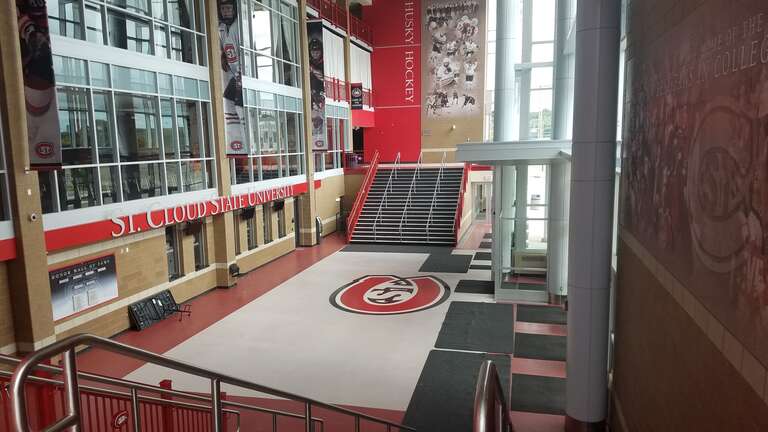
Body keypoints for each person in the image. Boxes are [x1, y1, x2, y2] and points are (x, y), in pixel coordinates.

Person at [218, 0, 246, 153]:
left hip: (242, 73)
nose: (226, 11)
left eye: (228, 8)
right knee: (227, 100)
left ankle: (245, 136)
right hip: (232, 74)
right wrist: (222, 57)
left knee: (240, 105)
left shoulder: (239, 27)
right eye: (223, 8)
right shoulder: (220, 27)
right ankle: (234, 139)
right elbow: (223, 48)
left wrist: (243, 73)